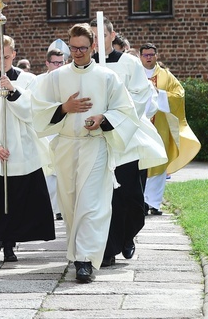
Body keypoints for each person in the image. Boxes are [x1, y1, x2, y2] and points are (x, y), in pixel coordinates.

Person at [32, 23, 140, 283]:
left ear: (93, 47)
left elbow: (126, 111)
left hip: (94, 145)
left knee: (92, 204)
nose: (77, 53)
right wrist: (64, 107)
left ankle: (86, 262)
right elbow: (38, 110)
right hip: (67, 146)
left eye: (82, 48)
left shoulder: (107, 77)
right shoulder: (56, 77)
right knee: (70, 205)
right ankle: (77, 252)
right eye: (73, 48)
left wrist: (103, 118)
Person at [0, 36, 56, 264]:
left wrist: (14, 92)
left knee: (15, 199)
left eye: (6, 57)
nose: (2, 62)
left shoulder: (29, 80)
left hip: (20, 149)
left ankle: (8, 244)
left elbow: (34, 112)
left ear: (14, 55)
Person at [91, 18, 167, 267]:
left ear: (112, 36)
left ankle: (128, 235)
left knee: (131, 198)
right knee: (106, 198)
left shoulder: (129, 63)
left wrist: (114, 116)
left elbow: (142, 95)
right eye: (91, 37)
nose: (96, 42)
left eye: (100, 35)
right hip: (98, 141)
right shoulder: (86, 66)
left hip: (126, 138)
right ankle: (108, 249)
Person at [139, 43, 201, 215]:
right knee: (141, 163)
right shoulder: (134, 73)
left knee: (159, 162)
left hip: (160, 127)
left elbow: (179, 94)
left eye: (151, 54)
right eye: (145, 55)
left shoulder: (166, 76)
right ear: (140, 56)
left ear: (156, 55)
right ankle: (142, 202)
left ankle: (154, 203)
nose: (149, 57)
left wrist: (159, 94)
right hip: (141, 126)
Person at [36, 47, 67, 222]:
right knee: (48, 172)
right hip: (46, 130)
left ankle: (61, 208)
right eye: (54, 62)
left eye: (61, 62)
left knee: (62, 172)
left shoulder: (69, 81)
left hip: (63, 130)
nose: (58, 65)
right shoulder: (39, 81)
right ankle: (48, 208)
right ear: (47, 63)